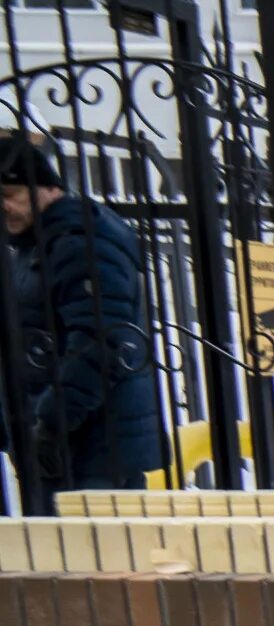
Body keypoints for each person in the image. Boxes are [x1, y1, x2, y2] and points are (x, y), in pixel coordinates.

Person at [0, 133, 162, 499]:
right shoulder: (34, 246)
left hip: (92, 448)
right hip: (60, 446)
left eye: (9, 196)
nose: (3, 208)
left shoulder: (80, 242)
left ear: (47, 188)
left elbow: (103, 341)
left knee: (96, 552)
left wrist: (51, 421)